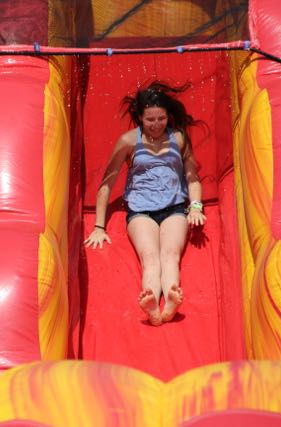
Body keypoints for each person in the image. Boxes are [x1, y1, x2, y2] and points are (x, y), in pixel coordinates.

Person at [83, 81, 206, 326]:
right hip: (140, 211)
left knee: (170, 254)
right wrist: (99, 226)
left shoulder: (179, 138)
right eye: (150, 120)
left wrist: (195, 206)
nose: (156, 124)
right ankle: (151, 303)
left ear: (168, 116)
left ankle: (171, 299)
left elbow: (193, 176)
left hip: (174, 209)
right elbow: (107, 182)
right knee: (149, 256)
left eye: (161, 118)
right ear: (140, 117)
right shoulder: (129, 141)